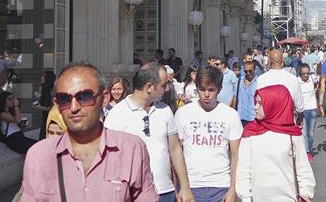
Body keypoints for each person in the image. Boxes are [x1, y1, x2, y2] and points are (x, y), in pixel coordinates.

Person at [21, 62, 159, 202]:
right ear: (57, 105)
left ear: (104, 98)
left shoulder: (132, 149)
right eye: (65, 99)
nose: (74, 107)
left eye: (84, 97)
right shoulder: (39, 155)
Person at [105, 63, 195, 202]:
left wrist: (185, 187)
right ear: (149, 87)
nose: (166, 90)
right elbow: (109, 158)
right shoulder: (117, 115)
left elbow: (175, 149)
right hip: (133, 194)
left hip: (166, 192)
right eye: (163, 85)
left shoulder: (165, 110)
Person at [174, 65, 243, 202]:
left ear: (219, 89)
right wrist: (181, 188)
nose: (206, 95)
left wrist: (233, 190)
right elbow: (176, 153)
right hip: (191, 187)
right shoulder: (183, 113)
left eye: (211, 90)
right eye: (202, 89)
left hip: (221, 186)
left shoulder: (230, 115)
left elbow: (236, 156)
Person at [236, 85, 316, 202]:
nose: (255, 107)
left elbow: (303, 169)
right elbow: (243, 171)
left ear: (274, 104)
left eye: (260, 103)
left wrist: (305, 194)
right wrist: (246, 198)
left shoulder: (292, 135)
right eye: (256, 102)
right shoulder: (250, 134)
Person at [297, 63, 319, 162]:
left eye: (307, 73)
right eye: (303, 74)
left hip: (313, 109)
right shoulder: (297, 81)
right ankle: (306, 152)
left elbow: (319, 80)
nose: (306, 75)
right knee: (304, 133)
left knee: (311, 133)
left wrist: (316, 89)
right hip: (302, 110)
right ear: (300, 74)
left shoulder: (313, 78)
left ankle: (308, 150)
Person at [237, 60, 259, 127]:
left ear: (255, 70)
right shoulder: (239, 81)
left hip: (253, 119)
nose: (248, 73)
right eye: (246, 71)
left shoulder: (259, 83)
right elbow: (235, 97)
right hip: (240, 118)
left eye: (250, 71)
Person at [35, 70, 55, 140]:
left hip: (51, 120)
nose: (41, 78)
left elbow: (53, 108)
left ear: (47, 78)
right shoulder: (44, 89)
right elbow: (38, 98)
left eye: (43, 76)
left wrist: (41, 108)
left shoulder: (51, 91)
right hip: (45, 119)